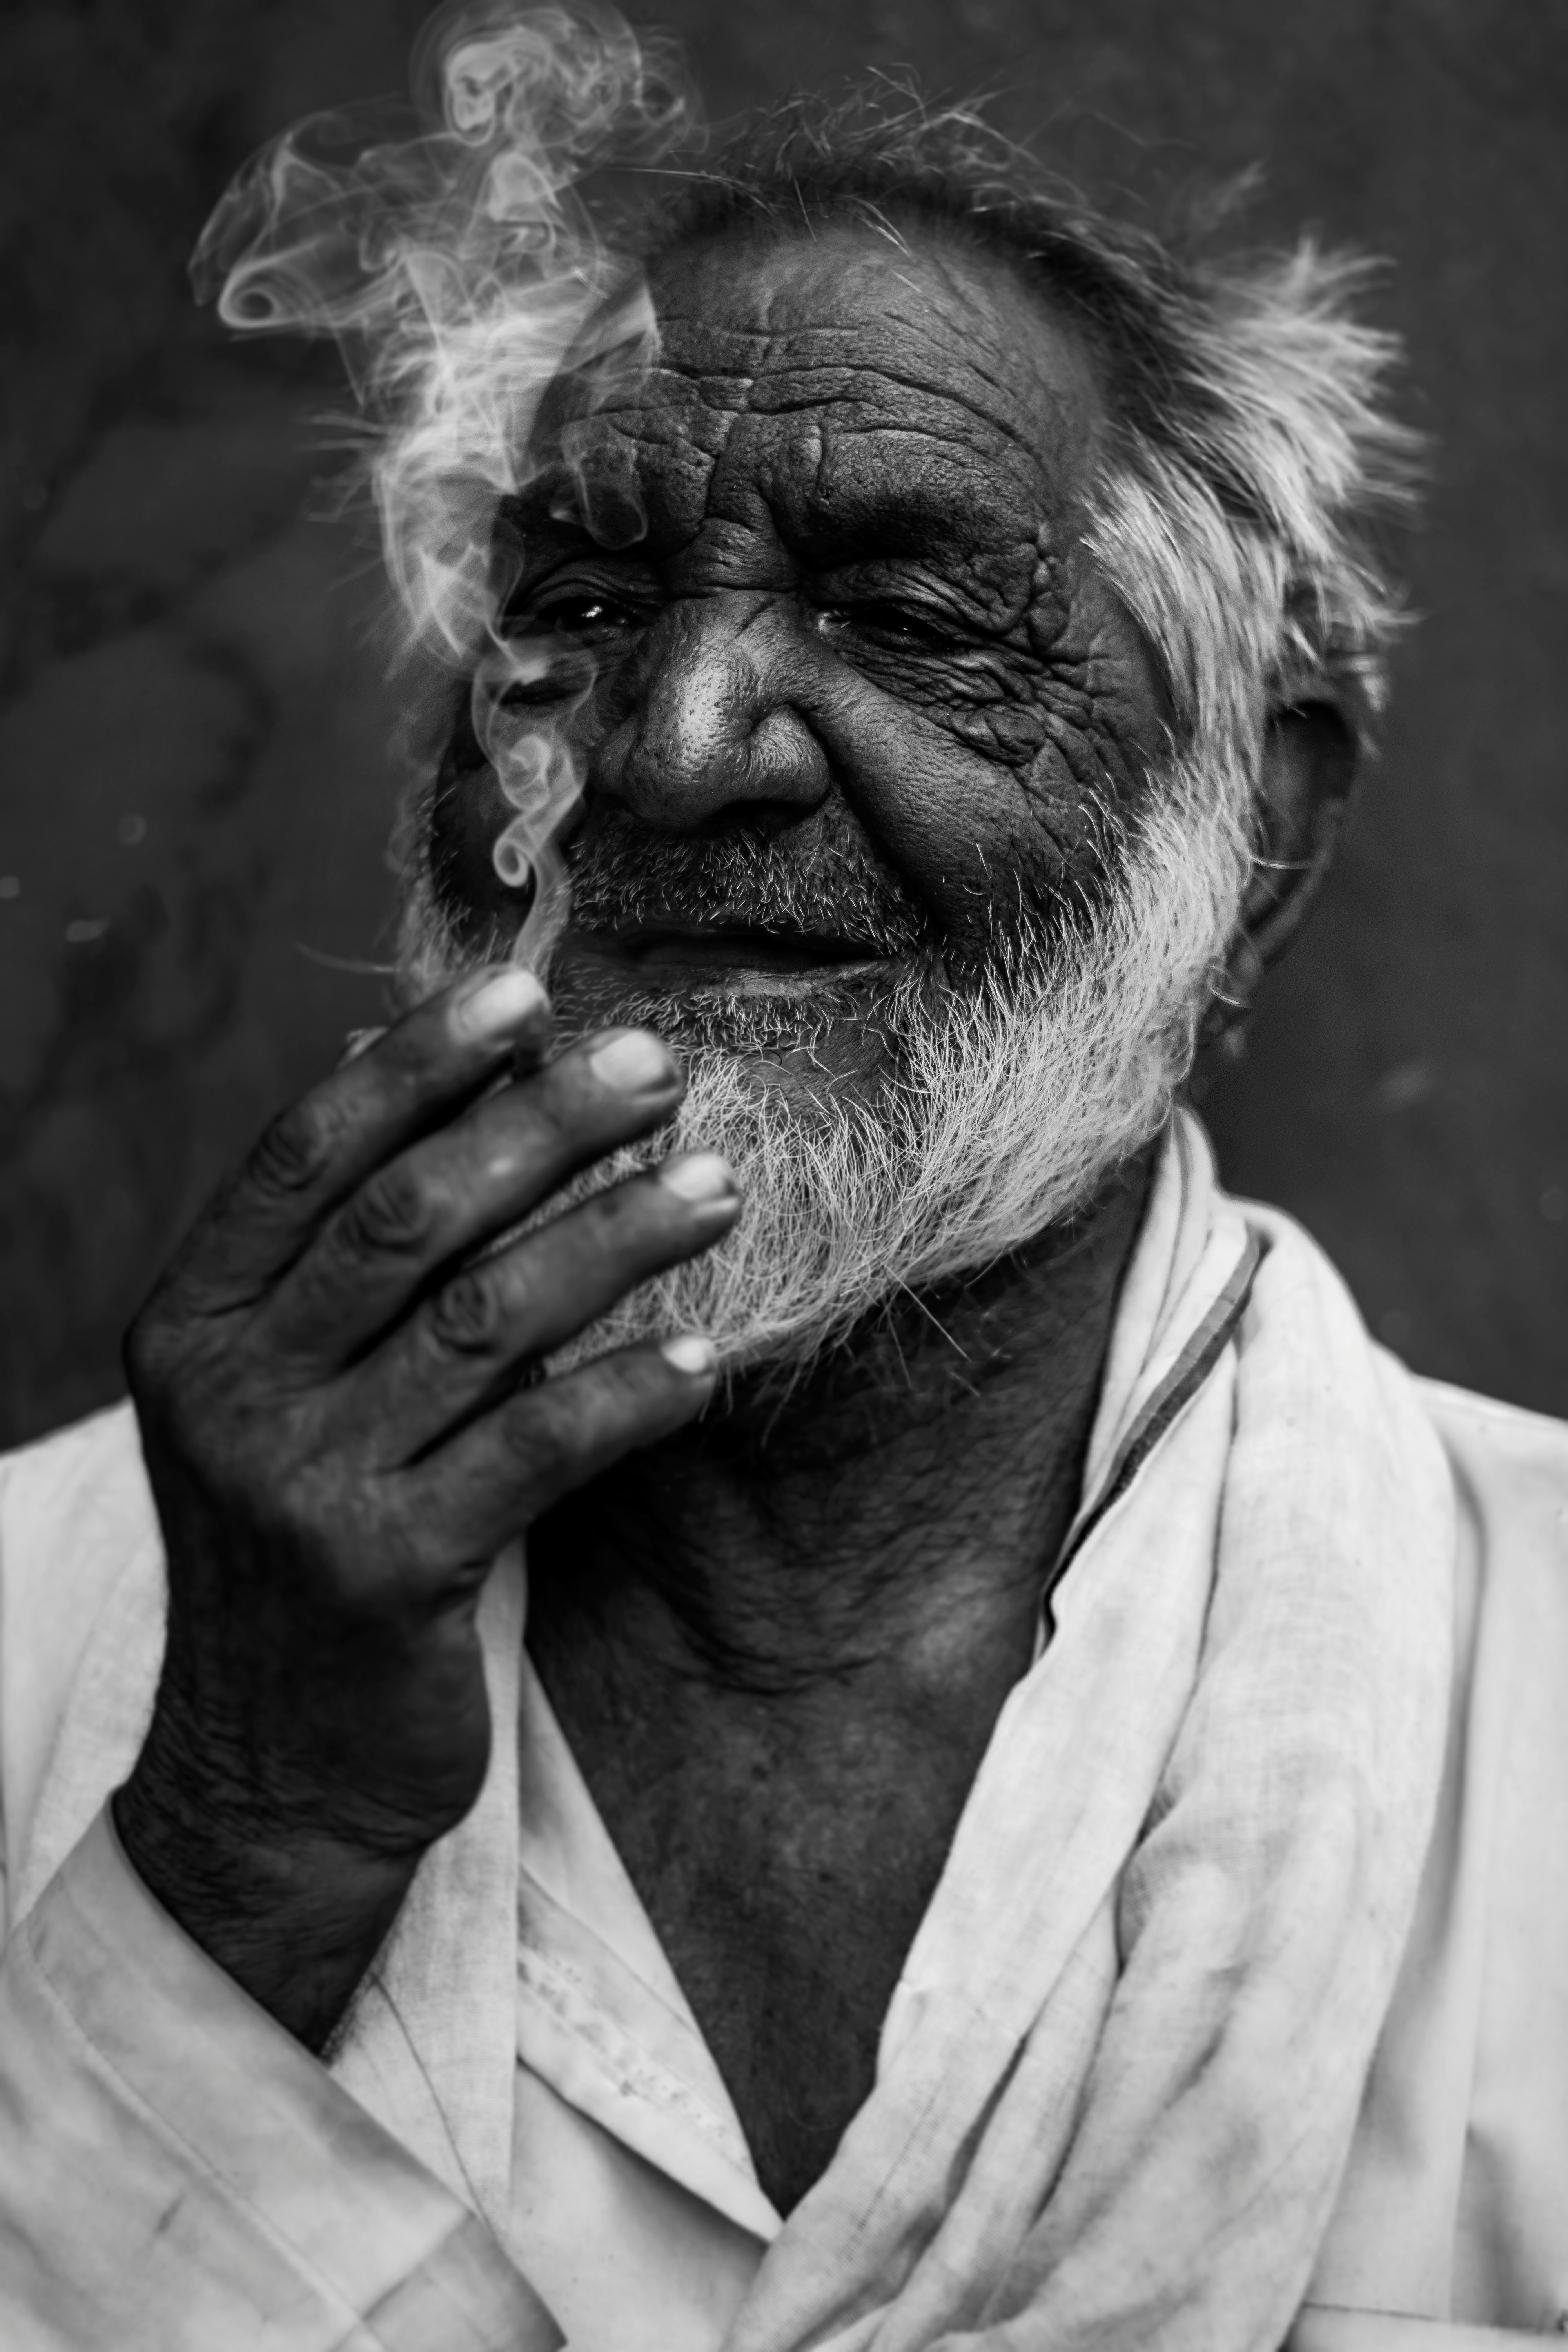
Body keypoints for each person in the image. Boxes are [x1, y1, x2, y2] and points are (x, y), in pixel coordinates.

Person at [2, 15, 1565, 2351]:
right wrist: (248, 1837)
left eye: (915, 621)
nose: (673, 742)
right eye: (590, 607)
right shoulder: (41, 1622)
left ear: (1261, 841)